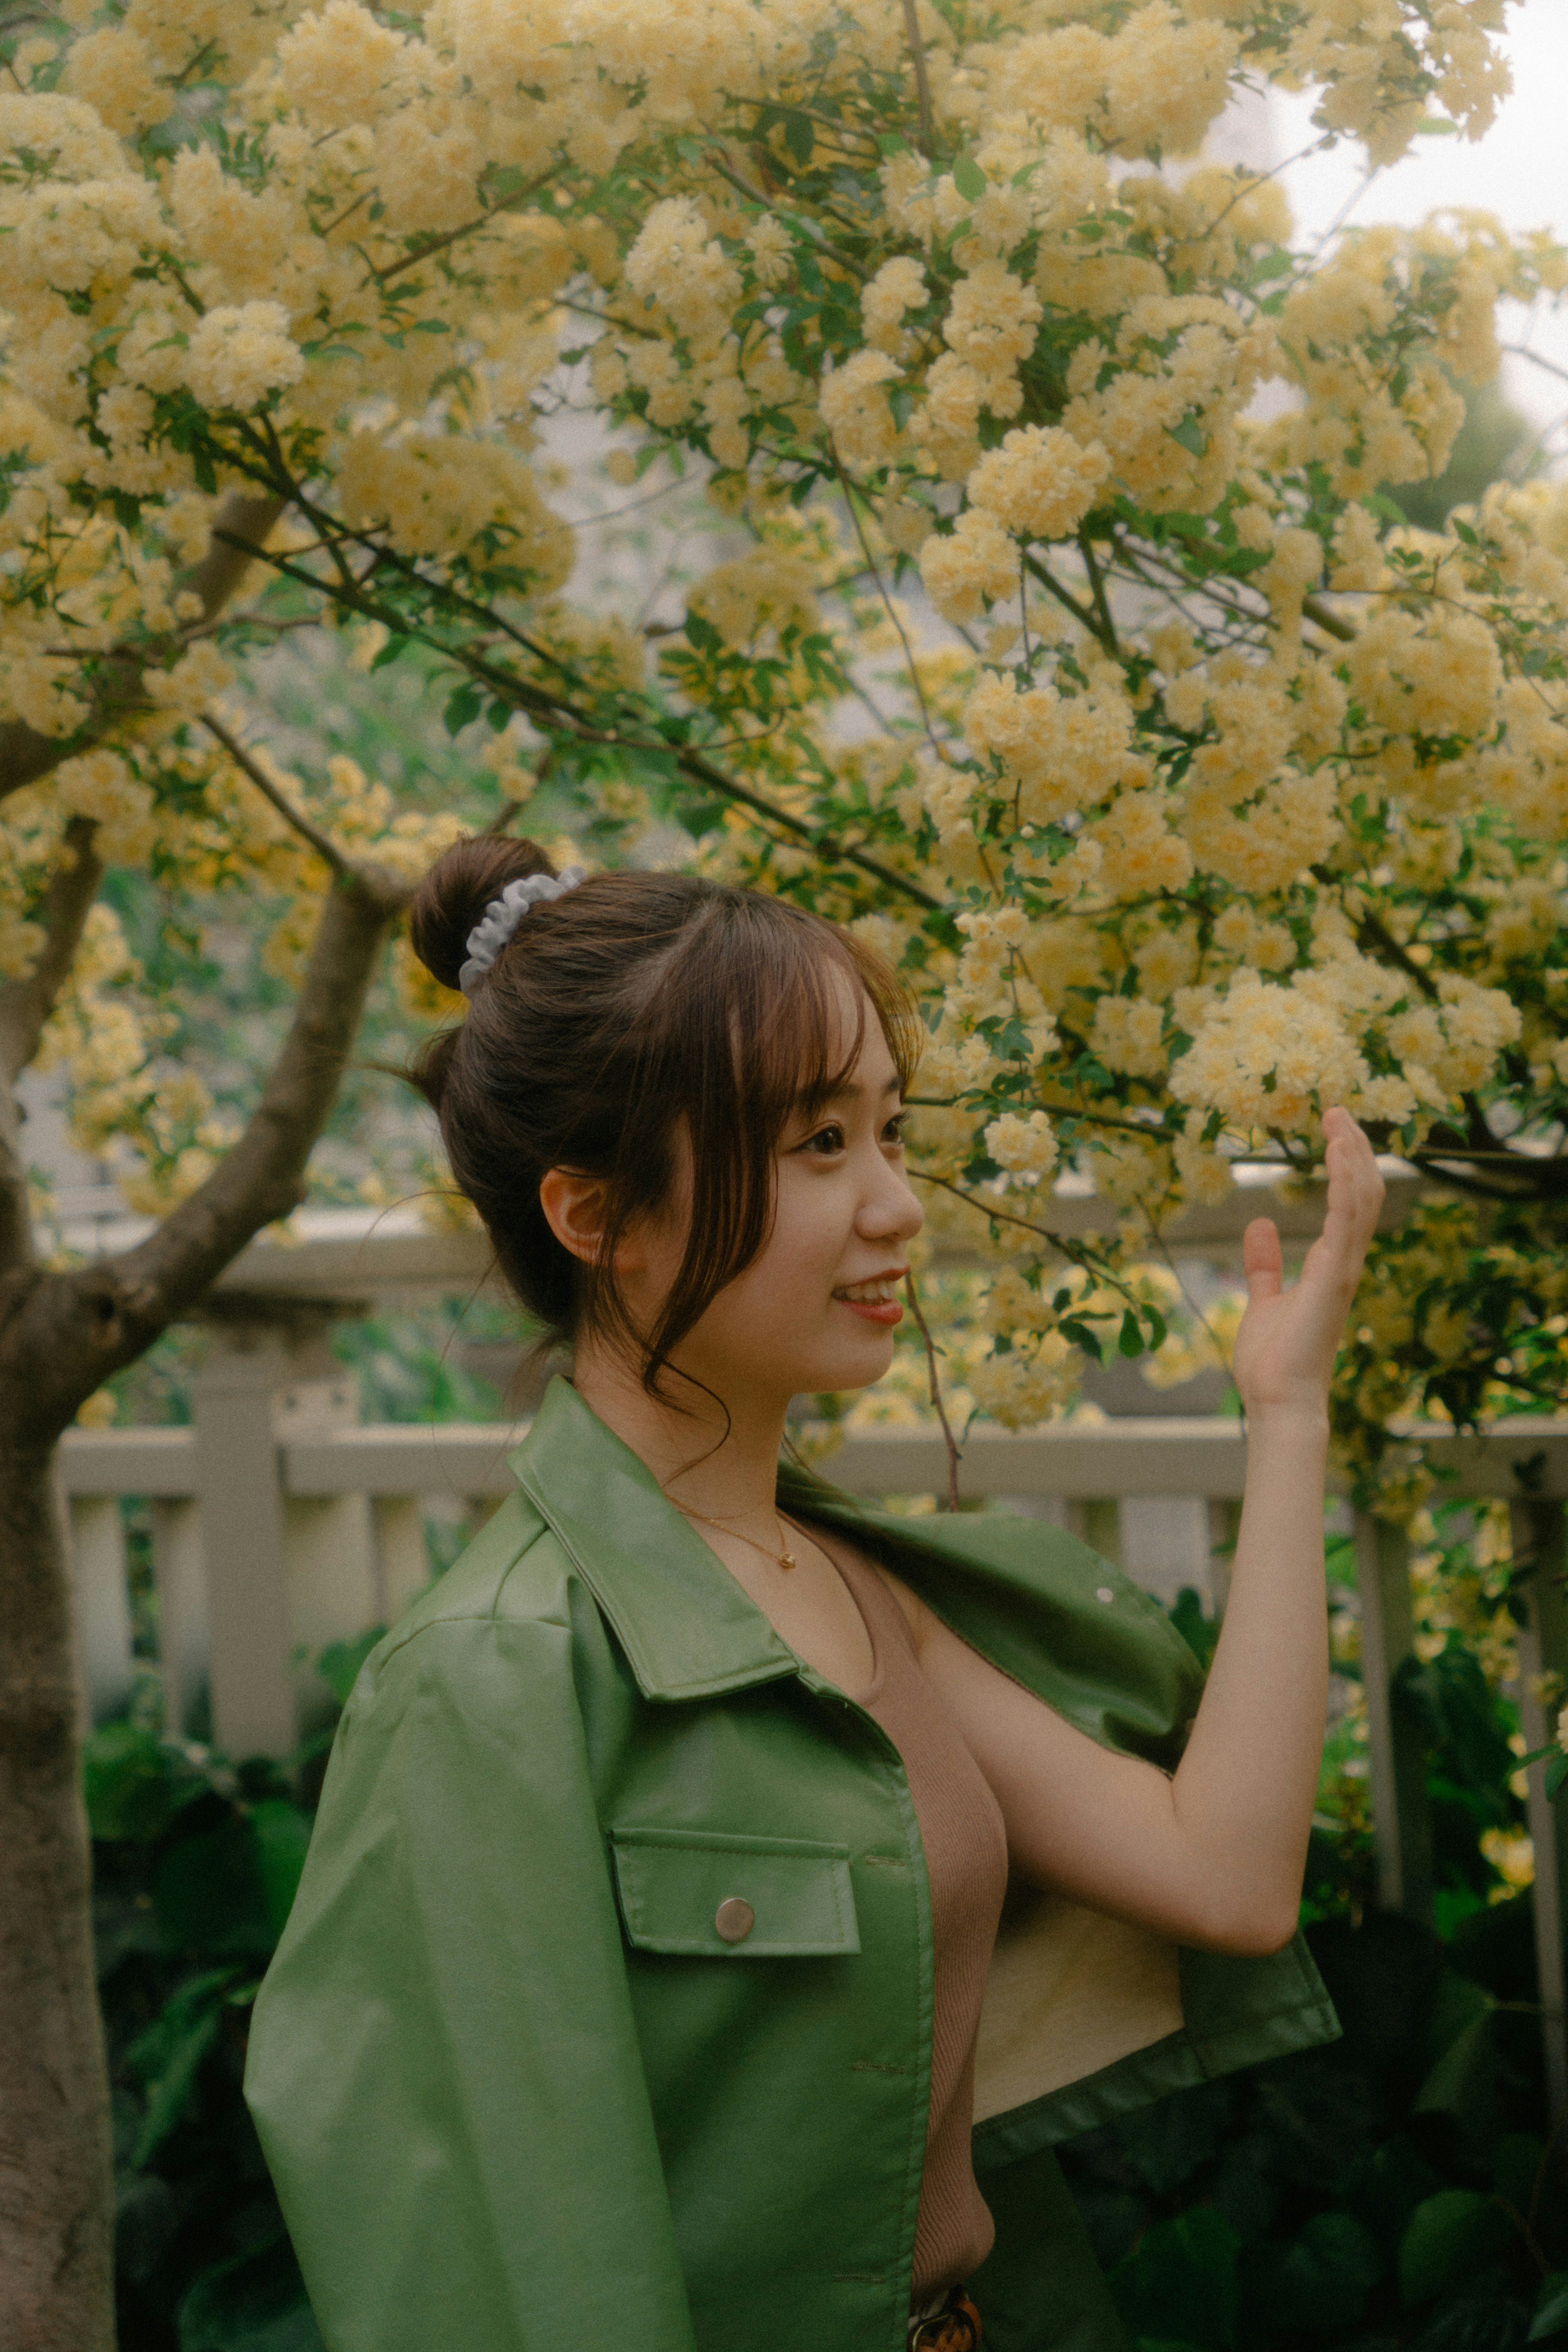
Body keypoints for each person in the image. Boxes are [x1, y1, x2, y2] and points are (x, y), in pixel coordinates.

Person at [244, 838, 1385, 2352]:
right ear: (599, 1218)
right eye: (815, 1145)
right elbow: (520, 2276)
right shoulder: (495, 1676)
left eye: (888, 1131)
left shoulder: (853, 1587)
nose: (899, 1205)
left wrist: (1287, 1415)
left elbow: (1227, 1880)